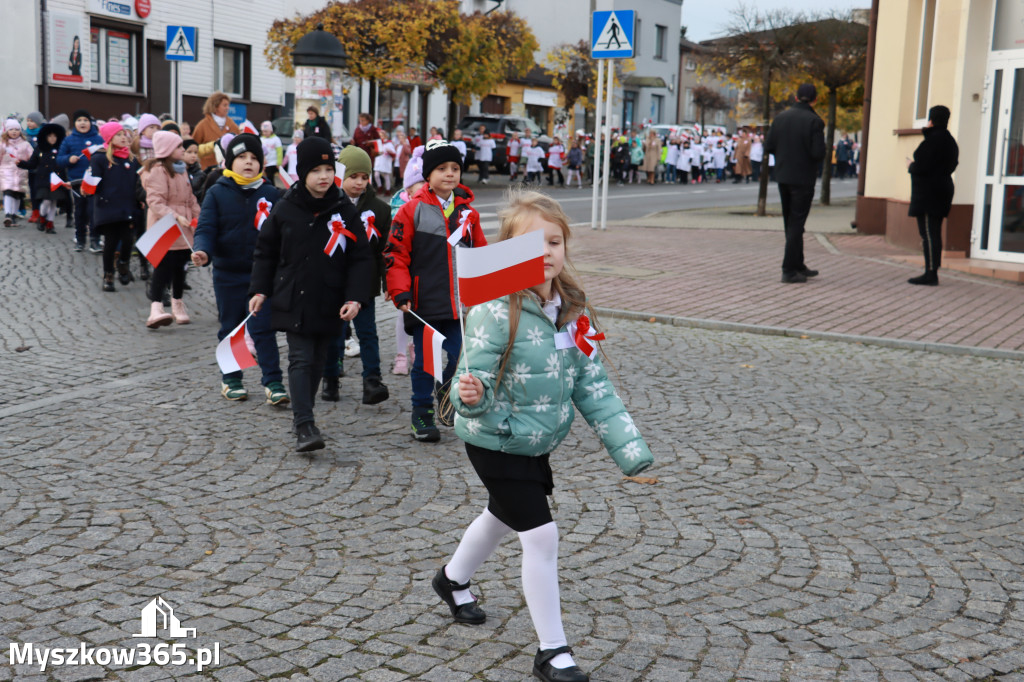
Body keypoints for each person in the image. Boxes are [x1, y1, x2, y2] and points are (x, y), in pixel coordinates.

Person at [438, 189, 654, 682]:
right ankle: (552, 652)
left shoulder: (573, 308)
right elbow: (475, 379)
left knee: (500, 515)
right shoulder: (494, 309)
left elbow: (592, 384)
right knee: (540, 534)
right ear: (509, 252)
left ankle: (452, 581)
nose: (546, 252)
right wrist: (472, 393)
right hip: (493, 437)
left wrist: (629, 448)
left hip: (535, 440)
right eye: (533, 244)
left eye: (554, 241)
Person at [249, 136, 373, 452]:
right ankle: (304, 424)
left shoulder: (343, 208)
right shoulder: (286, 208)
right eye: (316, 169)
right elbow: (266, 251)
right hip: (293, 297)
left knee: (318, 360)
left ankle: (304, 415)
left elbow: (361, 257)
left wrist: (355, 297)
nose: (323, 176)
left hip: (330, 300)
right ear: (302, 172)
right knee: (301, 359)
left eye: (328, 169)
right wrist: (260, 289)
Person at [383, 140, 486, 442]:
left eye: (455, 169)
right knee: (426, 363)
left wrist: (486, 288)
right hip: (423, 303)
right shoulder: (411, 211)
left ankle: (447, 391)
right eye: (442, 169)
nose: (450, 174)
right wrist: (400, 292)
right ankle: (422, 414)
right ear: (428, 174)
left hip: (459, 304)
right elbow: (395, 254)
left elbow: (480, 251)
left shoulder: (469, 213)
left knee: (461, 357)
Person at [192, 133, 288, 403]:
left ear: (261, 163)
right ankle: (231, 379)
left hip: (262, 275)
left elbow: (283, 232)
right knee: (231, 327)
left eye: (254, 158)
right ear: (230, 162)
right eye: (242, 157)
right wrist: (203, 251)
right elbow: (206, 228)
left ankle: (273, 382)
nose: (248, 163)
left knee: (263, 328)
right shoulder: (217, 192)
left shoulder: (270, 193)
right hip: (228, 273)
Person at [320, 145, 391, 405]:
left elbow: (384, 250)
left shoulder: (380, 210)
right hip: (334, 279)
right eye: (354, 177)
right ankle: (330, 377)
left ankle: (372, 379)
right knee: (335, 331)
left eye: (364, 177)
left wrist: (387, 281)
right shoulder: (329, 204)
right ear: (342, 176)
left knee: (367, 331)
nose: (359, 183)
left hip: (365, 281)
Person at [765, 83, 826, 284]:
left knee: (790, 222)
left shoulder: (781, 118)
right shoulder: (814, 121)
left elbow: (769, 146)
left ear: (796, 96)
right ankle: (789, 269)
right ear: (815, 99)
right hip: (803, 178)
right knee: (797, 223)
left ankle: (798, 263)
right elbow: (818, 153)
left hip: (783, 175)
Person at [141, 131, 200, 326]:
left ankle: (177, 303)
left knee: (181, 268)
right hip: (165, 226)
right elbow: (155, 201)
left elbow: (190, 198)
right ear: (167, 150)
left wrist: (198, 216)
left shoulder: (181, 170)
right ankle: (156, 307)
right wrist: (175, 216)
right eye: (179, 147)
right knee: (163, 268)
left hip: (184, 227)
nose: (182, 150)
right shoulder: (158, 171)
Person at [906, 105, 959, 286]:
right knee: (933, 232)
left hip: (930, 194)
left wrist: (911, 166)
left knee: (929, 233)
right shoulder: (950, 141)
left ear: (931, 120)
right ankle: (931, 269)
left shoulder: (933, 141)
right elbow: (952, 164)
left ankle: (931, 272)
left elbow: (922, 166)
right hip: (943, 190)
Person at [89, 121, 140, 291]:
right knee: (110, 242)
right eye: (118, 135)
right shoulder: (100, 158)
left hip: (127, 205)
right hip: (107, 207)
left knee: (127, 240)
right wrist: (86, 185)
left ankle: (123, 264)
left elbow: (138, 182)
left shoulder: (132, 159)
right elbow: (93, 182)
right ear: (110, 139)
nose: (124, 137)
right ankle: (108, 275)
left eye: (124, 134)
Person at [388, 146, 424, 376]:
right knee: (404, 313)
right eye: (419, 187)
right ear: (408, 189)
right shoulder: (398, 210)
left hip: (426, 271)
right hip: (405, 272)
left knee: (422, 316)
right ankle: (401, 354)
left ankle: (416, 350)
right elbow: (391, 247)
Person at [58, 109, 105, 251]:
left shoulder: (98, 139)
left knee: (93, 211)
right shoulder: (68, 140)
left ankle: (95, 240)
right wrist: (69, 159)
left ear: (90, 123)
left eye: (85, 120)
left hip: (94, 181)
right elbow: (60, 159)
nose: (82, 123)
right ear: (75, 123)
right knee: (80, 212)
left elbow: (106, 156)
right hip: (77, 181)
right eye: (79, 121)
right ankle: (80, 239)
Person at [22, 122, 66, 234]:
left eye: (55, 136)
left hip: (57, 180)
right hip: (43, 180)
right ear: (45, 137)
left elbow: (65, 162)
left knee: (53, 202)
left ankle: (50, 224)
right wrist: (21, 163)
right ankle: (42, 218)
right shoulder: (39, 149)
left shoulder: (61, 149)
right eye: (50, 136)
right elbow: (32, 164)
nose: (52, 138)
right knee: (46, 201)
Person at [192, 92, 240, 169]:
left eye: (228, 105)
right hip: (207, 169)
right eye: (224, 105)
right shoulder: (202, 125)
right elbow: (193, 147)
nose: (227, 108)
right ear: (215, 106)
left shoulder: (232, 125)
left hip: (228, 169)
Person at [1, 119, 33, 227]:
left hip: (21, 173)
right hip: (6, 171)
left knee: (17, 194)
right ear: (7, 131)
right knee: (8, 191)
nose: (14, 132)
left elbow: (32, 158)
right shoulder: (3, 144)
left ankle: (14, 216)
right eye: (11, 129)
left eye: (16, 129)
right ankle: (8, 214)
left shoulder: (25, 144)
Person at [259, 121, 282, 187]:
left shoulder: (276, 139)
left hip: (272, 163)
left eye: (266, 131)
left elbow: (279, 151)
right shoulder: (261, 139)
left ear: (271, 131)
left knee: (270, 176)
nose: (264, 133)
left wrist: (279, 162)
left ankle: (272, 187)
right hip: (264, 162)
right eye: (263, 131)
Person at [372, 130, 396, 194]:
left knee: (386, 176)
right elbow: (374, 152)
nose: (381, 137)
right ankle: (380, 186)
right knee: (376, 175)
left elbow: (394, 154)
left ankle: (388, 190)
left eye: (382, 135)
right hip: (379, 161)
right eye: (379, 136)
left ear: (385, 136)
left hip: (385, 161)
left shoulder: (389, 143)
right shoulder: (378, 143)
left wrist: (389, 151)